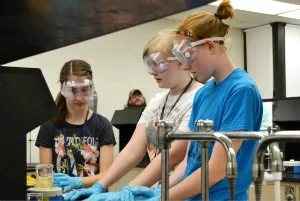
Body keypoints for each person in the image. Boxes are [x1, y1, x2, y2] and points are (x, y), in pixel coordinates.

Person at [63, 29, 203, 200]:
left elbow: (174, 155)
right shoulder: (157, 101)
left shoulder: (200, 99)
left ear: (181, 60)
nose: (151, 72)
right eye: (148, 64)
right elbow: (132, 151)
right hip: (154, 193)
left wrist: (127, 190)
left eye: (157, 64)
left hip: (182, 193)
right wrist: (100, 185)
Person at [162, 0, 263, 200]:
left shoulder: (241, 90)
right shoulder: (202, 93)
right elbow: (191, 160)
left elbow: (217, 170)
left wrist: (163, 198)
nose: (184, 67)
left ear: (210, 46)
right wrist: (161, 191)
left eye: (188, 57)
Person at [35, 59, 116, 191]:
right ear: (62, 89)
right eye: (72, 90)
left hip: (93, 198)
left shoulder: (103, 125)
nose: (79, 98)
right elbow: (45, 176)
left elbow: (107, 175)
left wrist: (79, 182)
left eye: (85, 90)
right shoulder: (49, 126)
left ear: (92, 88)